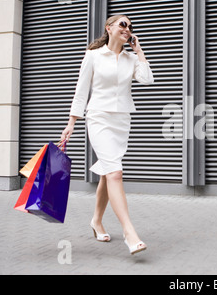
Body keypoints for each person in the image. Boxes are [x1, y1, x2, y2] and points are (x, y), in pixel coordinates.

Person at [61, 15, 154, 255]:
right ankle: (129, 233)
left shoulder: (130, 58)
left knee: (106, 172)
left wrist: (139, 50)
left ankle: (96, 221)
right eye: (123, 24)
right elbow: (81, 91)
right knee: (115, 172)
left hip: (121, 120)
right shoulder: (93, 55)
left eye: (131, 26)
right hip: (99, 118)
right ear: (109, 28)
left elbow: (146, 79)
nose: (127, 28)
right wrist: (71, 123)